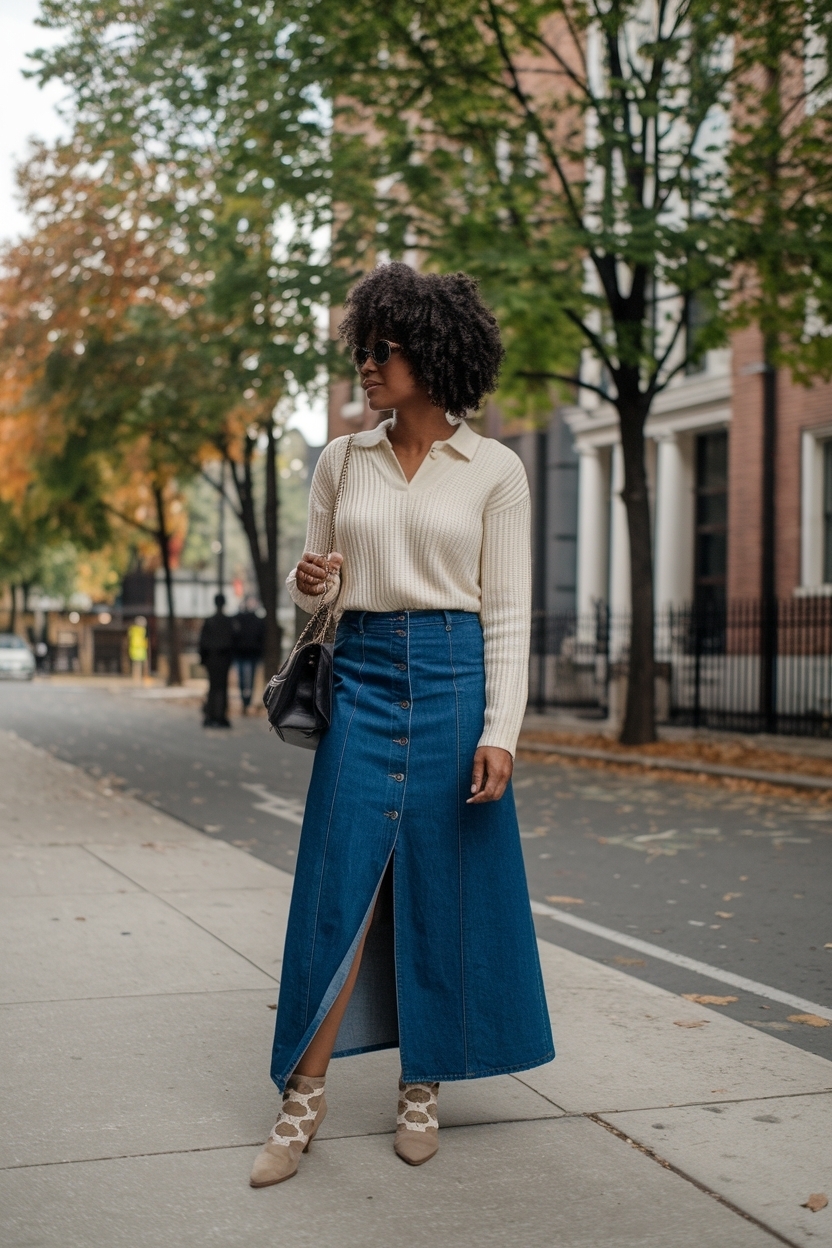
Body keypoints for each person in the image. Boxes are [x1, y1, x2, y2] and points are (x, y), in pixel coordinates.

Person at [250, 263, 554, 1190]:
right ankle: (303, 1098)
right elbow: (321, 592)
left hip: (460, 682)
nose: (367, 367)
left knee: (439, 885)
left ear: (431, 352)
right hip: (369, 679)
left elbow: (504, 612)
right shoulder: (342, 460)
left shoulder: (495, 471)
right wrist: (312, 585)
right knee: (338, 886)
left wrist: (501, 730)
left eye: (380, 350)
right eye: (363, 350)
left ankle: (420, 1086)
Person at [199, 594, 234, 728]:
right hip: (223, 658)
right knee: (222, 687)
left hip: (211, 659)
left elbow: (202, 642)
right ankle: (220, 715)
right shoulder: (228, 622)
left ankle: (211, 715)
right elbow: (233, 641)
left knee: (213, 687)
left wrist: (203, 659)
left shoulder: (210, 621)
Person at [233, 595, 266, 714]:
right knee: (244, 678)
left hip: (248, 653)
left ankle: (246, 701)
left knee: (247, 677)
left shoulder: (245, 619)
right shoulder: (254, 620)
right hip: (246, 652)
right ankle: (245, 700)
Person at [127, 616, 148, 684]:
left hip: (138, 649)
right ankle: (138, 678)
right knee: (138, 665)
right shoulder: (141, 630)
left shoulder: (132, 629)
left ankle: (137, 678)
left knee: (137, 665)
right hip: (139, 649)